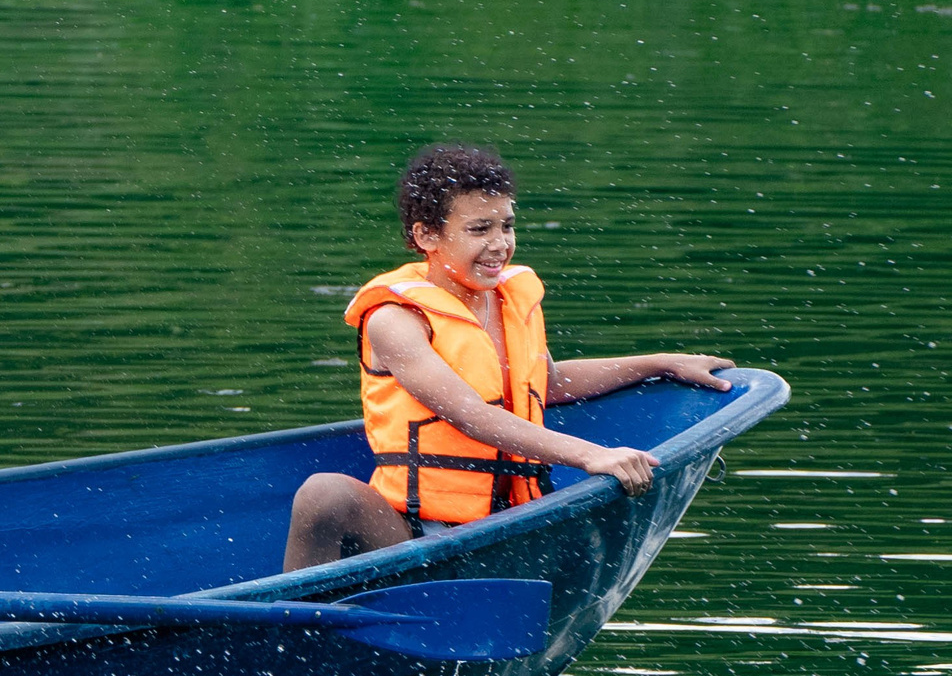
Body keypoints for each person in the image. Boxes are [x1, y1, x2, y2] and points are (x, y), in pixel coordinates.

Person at [284, 144, 735, 571]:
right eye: (479, 229)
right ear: (426, 236)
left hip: (514, 522)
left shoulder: (506, 299)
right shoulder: (394, 319)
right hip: (417, 536)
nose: (500, 243)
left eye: (507, 225)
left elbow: (550, 383)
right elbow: (469, 415)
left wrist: (662, 363)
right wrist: (593, 456)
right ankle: (292, 628)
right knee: (325, 493)